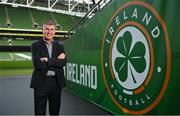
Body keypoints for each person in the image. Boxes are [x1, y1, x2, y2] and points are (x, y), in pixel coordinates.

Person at [30, 20, 67, 115]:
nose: (49, 32)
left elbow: (63, 62)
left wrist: (48, 60)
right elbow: (37, 64)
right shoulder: (35, 45)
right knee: (39, 112)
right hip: (41, 83)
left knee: (55, 112)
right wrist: (56, 61)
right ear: (42, 30)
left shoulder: (60, 46)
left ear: (54, 31)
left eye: (51, 29)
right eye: (46, 29)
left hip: (56, 83)